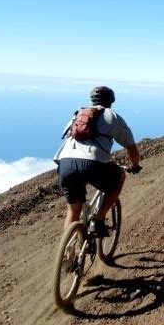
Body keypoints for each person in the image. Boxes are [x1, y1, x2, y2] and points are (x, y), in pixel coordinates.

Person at [53, 86, 141, 236]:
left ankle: (68, 254)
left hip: (65, 162)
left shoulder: (78, 114)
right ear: (112, 101)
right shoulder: (114, 117)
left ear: (92, 99)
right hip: (93, 164)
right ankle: (98, 221)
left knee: (73, 210)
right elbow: (131, 148)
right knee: (119, 177)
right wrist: (135, 165)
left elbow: (66, 134)